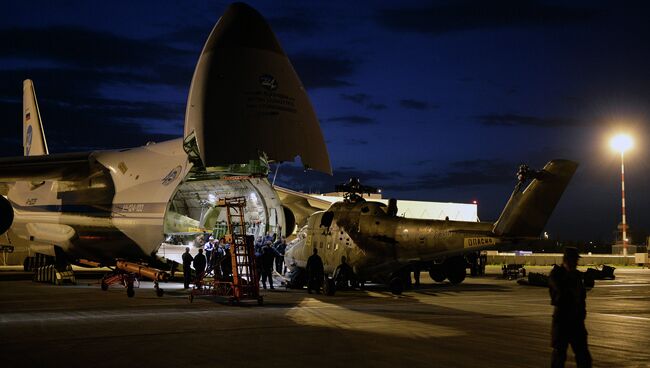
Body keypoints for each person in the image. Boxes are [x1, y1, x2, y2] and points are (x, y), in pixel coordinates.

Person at [549, 247, 592, 368]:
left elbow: (581, 296)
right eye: (573, 260)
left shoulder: (577, 276)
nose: (576, 263)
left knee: (584, 357)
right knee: (559, 356)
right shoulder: (557, 274)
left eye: (576, 260)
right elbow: (560, 292)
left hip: (576, 321)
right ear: (566, 260)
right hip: (562, 320)